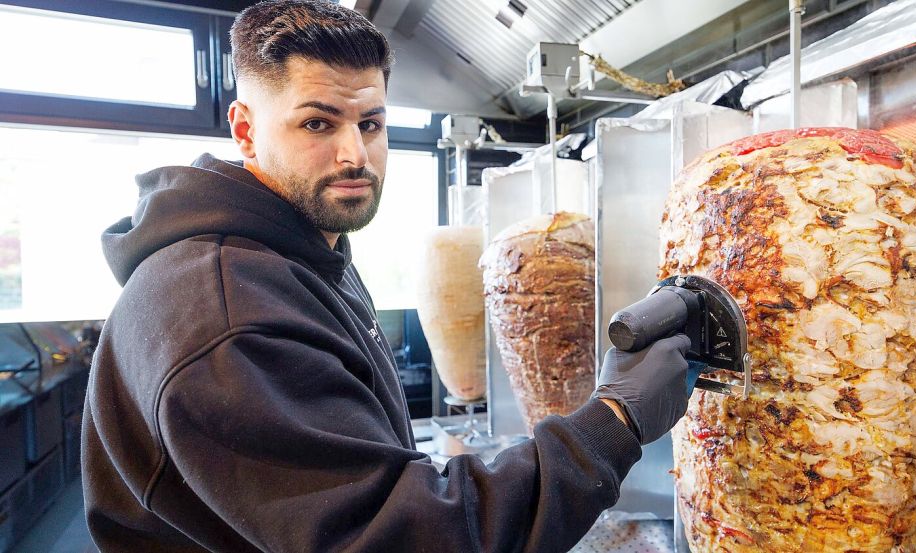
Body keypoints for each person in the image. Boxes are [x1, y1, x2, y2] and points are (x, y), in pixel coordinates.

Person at [81, 1, 691, 551]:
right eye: (317, 124)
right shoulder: (227, 312)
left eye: (370, 124)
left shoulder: (301, 252)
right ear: (245, 130)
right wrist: (613, 423)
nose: (355, 154)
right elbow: (404, 537)